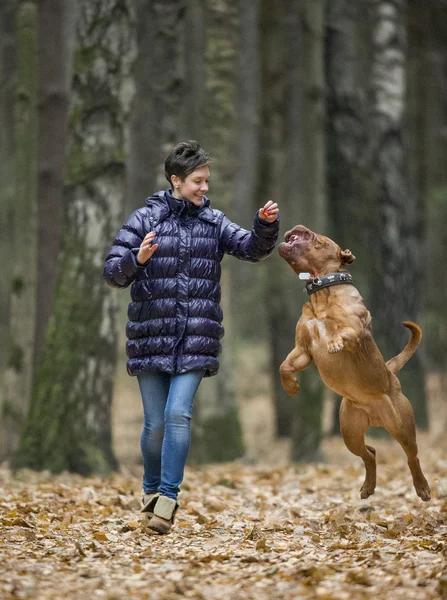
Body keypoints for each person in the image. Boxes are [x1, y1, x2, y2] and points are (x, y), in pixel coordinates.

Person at [103, 140, 279, 534]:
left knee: (177, 414)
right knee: (154, 426)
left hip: (196, 338)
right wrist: (138, 259)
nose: (204, 188)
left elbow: (252, 249)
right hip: (150, 336)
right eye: (198, 181)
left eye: (207, 181)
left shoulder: (213, 221)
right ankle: (149, 493)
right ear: (176, 180)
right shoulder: (145, 219)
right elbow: (113, 272)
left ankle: (167, 498)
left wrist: (265, 226)